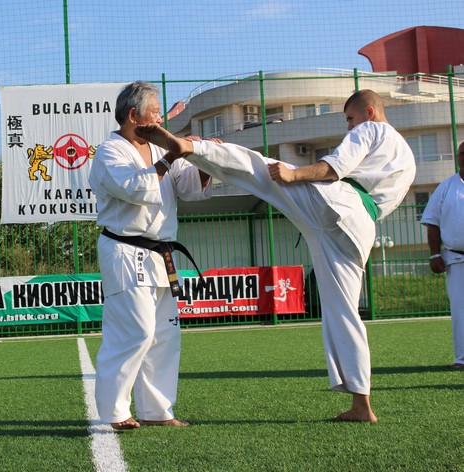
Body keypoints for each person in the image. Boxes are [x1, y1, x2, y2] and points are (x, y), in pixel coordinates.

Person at [135, 89, 416, 423]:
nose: (349, 126)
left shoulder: (370, 129)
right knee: (345, 313)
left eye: (350, 119)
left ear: (368, 112)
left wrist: (295, 174)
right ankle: (361, 405)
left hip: (339, 203)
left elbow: (336, 167)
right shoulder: (407, 157)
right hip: (359, 229)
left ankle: (191, 148)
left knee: (261, 169)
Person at [89, 81, 212, 430]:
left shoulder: (158, 148)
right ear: (133, 115)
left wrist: (204, 158)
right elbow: (136, 188)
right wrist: (173, 153)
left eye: (159, 113)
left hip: (161, 253)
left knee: (165, 336)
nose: (160, 119)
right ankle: (116, 412)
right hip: (125, 250)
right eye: (155, 112)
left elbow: (187, 186)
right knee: (136, 331)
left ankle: (157, 411)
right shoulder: (109, 152)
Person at [420, 141, 464, 370]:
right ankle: (462, 358)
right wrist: (434, 254)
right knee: (460, 309)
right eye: (463, 153)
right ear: (458, 157)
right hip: (456, 259)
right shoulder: (446, 187)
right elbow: (432, 223)